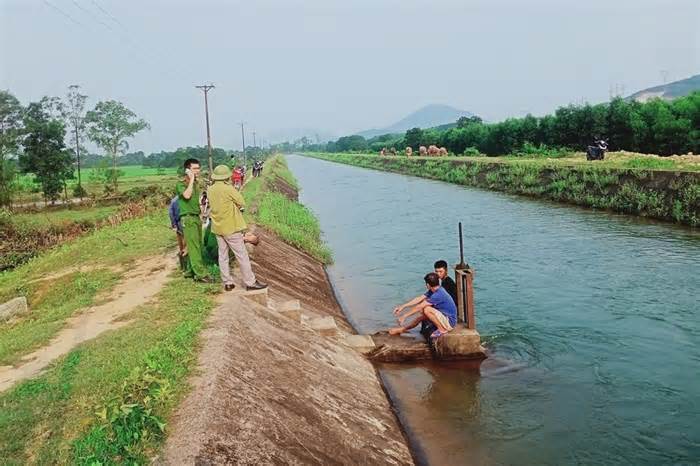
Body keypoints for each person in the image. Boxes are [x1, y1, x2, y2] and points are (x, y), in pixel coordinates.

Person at [208, 164, 267, 292]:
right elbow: (241, 202)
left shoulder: (210, 189)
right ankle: (250, 282)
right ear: (226, 177)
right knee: (242, 255)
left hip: (218, 228)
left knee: (222, 256)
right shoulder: (228, 188)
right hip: (231, 228)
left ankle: (227, 282)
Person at [175, 158, 213, 283]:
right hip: (188, 218)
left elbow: (196, 200)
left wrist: (201, 213)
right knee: (194, 246)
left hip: (196, 216)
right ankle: (200, 274)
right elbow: (187, 195)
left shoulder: (195, 183)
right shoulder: (181, 184)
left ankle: (190, 271)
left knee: (197, 245)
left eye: (198, 168)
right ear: (187, 170)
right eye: (194, 169)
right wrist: (191, 179)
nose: (197, 171)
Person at [388, 272, 457, 339]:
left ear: (428, 285)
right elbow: (419, 298)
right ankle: (402, 329)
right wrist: (402, 306)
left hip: (449, 322)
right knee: (421, 316)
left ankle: (442, 329)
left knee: (426, 309)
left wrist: (404, 316)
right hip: (444, 317)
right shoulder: (434, 289)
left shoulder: (438, 294)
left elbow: (420, 306)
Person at [420, 260, 458, 339]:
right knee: (424, 307)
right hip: (445, 307)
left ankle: (439, 328)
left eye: (441, 271)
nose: (438, 274)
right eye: (436, 272)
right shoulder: (443, 282)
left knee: (425, 309)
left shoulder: (448, 283)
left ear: (446, 271)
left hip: (449, 311)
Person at [168, 195, 186, 269]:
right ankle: (186, 264)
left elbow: (171, 213)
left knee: (181, 245)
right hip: (185, 222)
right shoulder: (185, 199)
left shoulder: (173, 201)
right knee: (186, 244)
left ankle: (183, 266)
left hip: (178, 223)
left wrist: (174, 224)